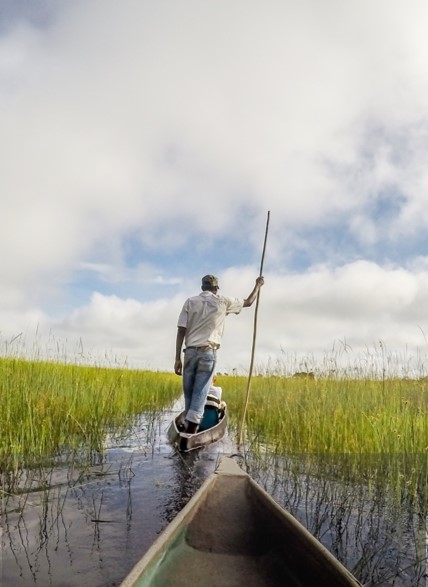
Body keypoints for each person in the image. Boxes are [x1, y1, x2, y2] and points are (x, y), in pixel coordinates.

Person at [174, 274, 264, 433]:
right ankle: (191, 431)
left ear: (202, 287)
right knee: (201, 391)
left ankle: (188, 427)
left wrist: (177, 358)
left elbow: (181, 330)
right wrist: (258, 285)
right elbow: (249, 302)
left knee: (189, 391)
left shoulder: (190, 302)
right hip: (208, 352)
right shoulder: (223, 301)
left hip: (189, 353)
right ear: (216, 288)